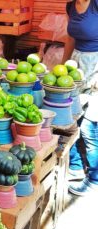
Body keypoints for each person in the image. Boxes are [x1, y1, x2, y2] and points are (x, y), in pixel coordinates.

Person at [63, 0, 98, 196]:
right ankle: (75, 167)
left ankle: (94, 179)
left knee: (89, 126)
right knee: (71, 119)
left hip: (95, 66)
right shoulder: (70, 6)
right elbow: (70, 39)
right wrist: (62, 69)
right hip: (77, 65)